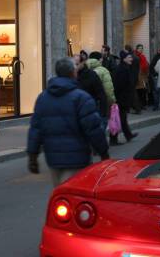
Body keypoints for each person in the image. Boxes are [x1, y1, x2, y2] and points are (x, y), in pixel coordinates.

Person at [27, 58, 109, 186]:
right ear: (73, 73)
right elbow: (93, 129)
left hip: (53, 158)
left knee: (60, 194)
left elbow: (35, 128)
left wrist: (33, 156)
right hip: (78, 158)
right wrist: (104, 152)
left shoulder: (43, 98)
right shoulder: (81, 98)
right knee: (75, 196)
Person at [111, 51, 138, 145]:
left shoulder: (125, 68)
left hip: (123, 98)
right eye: (129, 57)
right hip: (121, 98)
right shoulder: (122, 69)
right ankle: (113, 139)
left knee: (122, 118)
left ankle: (128, 135)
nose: (131, 59)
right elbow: (120, 85)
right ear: (124, 59)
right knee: (119, 118)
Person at [87, 52, 115, 130]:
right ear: (99, 59)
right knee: (102, 122)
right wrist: (112, 101)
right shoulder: (103, 70)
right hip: (100, 101)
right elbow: (108, 89)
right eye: (101, 58)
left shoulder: (83, 69)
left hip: (87, 101)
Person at [74, 54, 107, 121]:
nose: (75, 67)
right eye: (73, 65)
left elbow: (102, 94)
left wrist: (103, 114)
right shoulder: (71, 75)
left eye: (77, 64)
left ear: (83, 63)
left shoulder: (91, 75)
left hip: (89, 111)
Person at [149, 45, 160, 111]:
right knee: (156, 90)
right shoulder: (157, 57)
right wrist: (155, 74)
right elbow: (152, 66)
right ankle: (156, 105)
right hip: (157, 76)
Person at [133, 44, 149, 113]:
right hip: (137, 76)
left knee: (142, 91)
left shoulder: (142, 56)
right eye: (139, 48)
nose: (141, 50)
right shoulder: (135, 56)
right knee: (138, 92)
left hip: (142, 76)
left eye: (141, 48)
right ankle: (138, 106)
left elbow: (145, 66)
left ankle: (141, 105)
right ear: (136, 49)